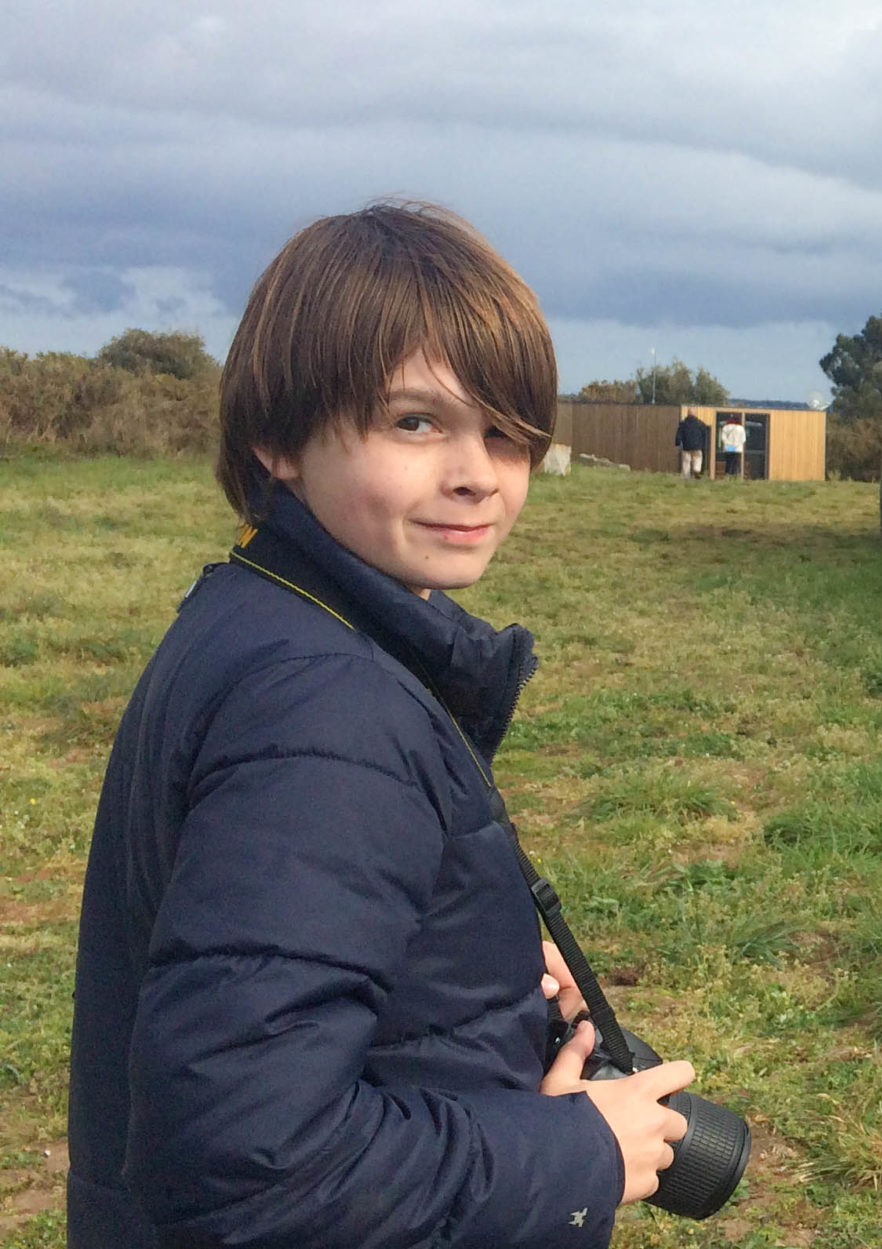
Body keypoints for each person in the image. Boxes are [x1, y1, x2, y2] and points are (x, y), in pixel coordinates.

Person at [68, 201, 694, 1248]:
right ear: (277, 435)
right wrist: (582, 1153)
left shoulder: (260, 619)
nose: (477, 474)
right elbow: (249, 1167)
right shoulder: (325, 702)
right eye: (416, 422)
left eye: (505, 431)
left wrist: (462, 952)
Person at [675, 410, 709, 479]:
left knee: (686, 462)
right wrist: (704, 445)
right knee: (697, 459)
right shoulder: (701, 424)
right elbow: (705, 435)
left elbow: (679, 435)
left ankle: (686, 476)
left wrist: (677, 443)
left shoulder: (683, 424)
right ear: (695, 414)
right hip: (698, 446)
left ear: (688, 414)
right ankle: (696, 470)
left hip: (686, 446)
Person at [716, 416, 746, 480]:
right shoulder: (741, 428)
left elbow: (723, 438)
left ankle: (727, 475)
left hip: (728, 448)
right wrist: (736, 445)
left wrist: (729, 444)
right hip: (737, 448)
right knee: (736, 462)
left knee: (728, 462)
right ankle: (736, 476)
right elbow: (743, 440)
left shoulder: (725, 427)